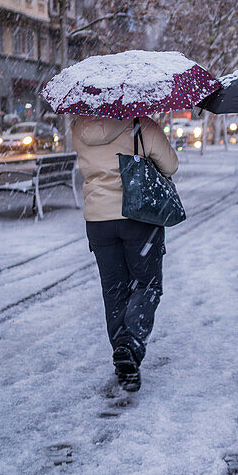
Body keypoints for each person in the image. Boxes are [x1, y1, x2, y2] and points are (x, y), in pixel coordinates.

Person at [73, 115, 179, 390]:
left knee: (114, 289)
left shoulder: (78, 127)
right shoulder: (142, 125)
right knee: (148, 284)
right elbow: (171, 165)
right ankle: (131, 345)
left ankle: (122, 350)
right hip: (138, 216)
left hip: (98, 221)